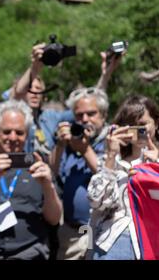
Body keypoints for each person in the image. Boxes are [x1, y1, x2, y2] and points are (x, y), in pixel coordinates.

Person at [0, 100, 62, 260]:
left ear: (27, 134)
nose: (13, 137)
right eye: (6, 132)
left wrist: (48, 186)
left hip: (30, 253)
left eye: (19, 132)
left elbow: (54, 218)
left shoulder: (39, 166)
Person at [88, 95, 159, 260]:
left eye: (142, 125)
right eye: (131, 126)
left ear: (156, 123)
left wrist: (154, 167)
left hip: (153, 243)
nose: (137, 131)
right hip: (115, 242)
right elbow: (96, 201)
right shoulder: (111, 161)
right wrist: (111, 156)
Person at [50, 87, 109, 260]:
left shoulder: (112, 141)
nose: (85, 120)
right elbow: (51, 172)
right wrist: (60, 145)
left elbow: (107, 177)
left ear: (103, 115)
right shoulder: (71, 143)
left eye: (91, 114)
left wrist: (84, 149)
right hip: (71, 233)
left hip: (100, 232)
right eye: (79, 115)